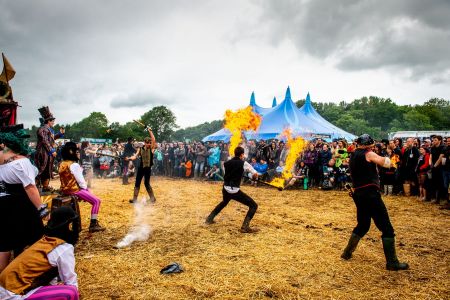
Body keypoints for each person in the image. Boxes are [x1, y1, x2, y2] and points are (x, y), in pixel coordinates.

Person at [341, 134, 409, 271]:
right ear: (370, 144)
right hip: (370, 195)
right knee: (387, 229)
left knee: (363, 225)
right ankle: (392, 262)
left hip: (359, 194)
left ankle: (346, 253)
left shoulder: (353, 155)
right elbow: (385, 163)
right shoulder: (369, 154)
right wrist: (391, 159)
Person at [0, 206, 80, 299]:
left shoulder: (45, 241)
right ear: (69, 225)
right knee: (70, 291)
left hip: (5, 290)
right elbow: (70, 282)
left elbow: (48, 272)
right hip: (13, 295)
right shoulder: (63, 248)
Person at [0, 126, 47, 273]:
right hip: (22, 205)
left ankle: (4, 283)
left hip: (3, 205)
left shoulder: (4, 161)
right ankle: (42, 276)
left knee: (6, 243)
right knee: (37, 240)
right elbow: (30, 188)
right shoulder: (21, 162)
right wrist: (42, 209)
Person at [205, 146, 259, 233]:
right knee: (254, 206)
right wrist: (254, 176)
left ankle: (209, 218)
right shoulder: (244, 163)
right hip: (234, 191)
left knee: (224, 202)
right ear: (242, 155)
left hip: (225, 188)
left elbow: (228, 174)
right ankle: (245, 227)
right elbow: (255, 174)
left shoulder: (226, 163)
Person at [58, 142, 105, 233]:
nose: (78, 153)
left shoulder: (62, 163)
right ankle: (93, 224)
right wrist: (87, 191)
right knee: (96, 201)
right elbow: (81, 182)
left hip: (65, 190)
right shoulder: (74, 165)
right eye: (77, 152)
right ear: (71, 152)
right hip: (74, 190)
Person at [34, 106, 64, 192]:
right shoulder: (43, 129)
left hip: (47, 153)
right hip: (42, 153)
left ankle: (45, 186)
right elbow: (44, 141)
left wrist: (60, 134)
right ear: (48, 121)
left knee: (47, 170)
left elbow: (51, 139)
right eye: (53, 121)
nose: (53, 123)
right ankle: (35, 186)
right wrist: (52, 150)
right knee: (42, 170)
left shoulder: (49, 130)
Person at [128, 128, 157, 204]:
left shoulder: (151, 148)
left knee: (146, 183)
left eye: (150, 143)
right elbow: (135, 156)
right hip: (141, 168)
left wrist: (150, 131)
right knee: (137, 183)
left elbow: (154, 140)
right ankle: (134, 199)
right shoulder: (140, 149)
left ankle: (152, 198)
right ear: (145, 143)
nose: (149, 144)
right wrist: (130, 158)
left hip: (148, 169)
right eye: (148, 143)